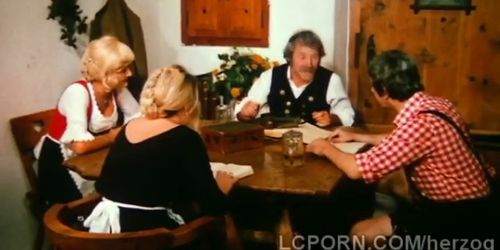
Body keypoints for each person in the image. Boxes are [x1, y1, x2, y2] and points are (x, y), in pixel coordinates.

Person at [306, 50, 496, 241]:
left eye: (374, 84)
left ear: (385, 92)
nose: (372, 90)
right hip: (480, 200)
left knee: (360, 233)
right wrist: (356, 135)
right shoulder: (436, 105)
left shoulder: (419, 126)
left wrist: (325, 147)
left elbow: (356, 169)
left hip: (459, 215)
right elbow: (402, 140)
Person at [84, 65, 237, 235]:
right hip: (149, 236)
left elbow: (104, 184)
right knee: (225, 217)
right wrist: (222, 188)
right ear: (189, 103)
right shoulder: (186, 138)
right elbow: (213, 205)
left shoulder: (129, 127)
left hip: (105, 231)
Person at [36, 36, 140, 204]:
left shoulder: (118, 89)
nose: (130, 73)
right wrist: (113, 137)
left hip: (94, 159)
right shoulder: (78, 93)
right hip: (62, 165)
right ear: (104, 72)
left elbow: (137, 120)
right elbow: (80, 146)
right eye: (123, 69)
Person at [235, 30, 355, 127]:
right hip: (276, 145)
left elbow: (348, 116)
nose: (309, 64)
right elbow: (245, 109)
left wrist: (333, 119)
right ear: (290, 57)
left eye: (315, 57)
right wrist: (244, 114)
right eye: (302, 57)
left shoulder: (331, 80)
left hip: (316, 146)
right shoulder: (271, 76)